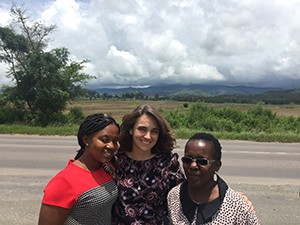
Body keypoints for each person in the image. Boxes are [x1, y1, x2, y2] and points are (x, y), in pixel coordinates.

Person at [38, 113, 120, 225]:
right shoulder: (64, 181)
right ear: (86, 140)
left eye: (115, 141)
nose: (111, 146)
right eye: (104, 140)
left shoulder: (106, 169)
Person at [111, 104, 186, 224]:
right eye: (142, 129)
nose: (148, 136)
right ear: (131, 129)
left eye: (154, 131)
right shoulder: (115, 159)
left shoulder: (168, 162)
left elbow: (182, 198)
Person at [167, 132, 260, 224]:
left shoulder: (235, 205)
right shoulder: (174, 197)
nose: (193, 166)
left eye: (202, 161)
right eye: (188, 160)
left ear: (217, 166)